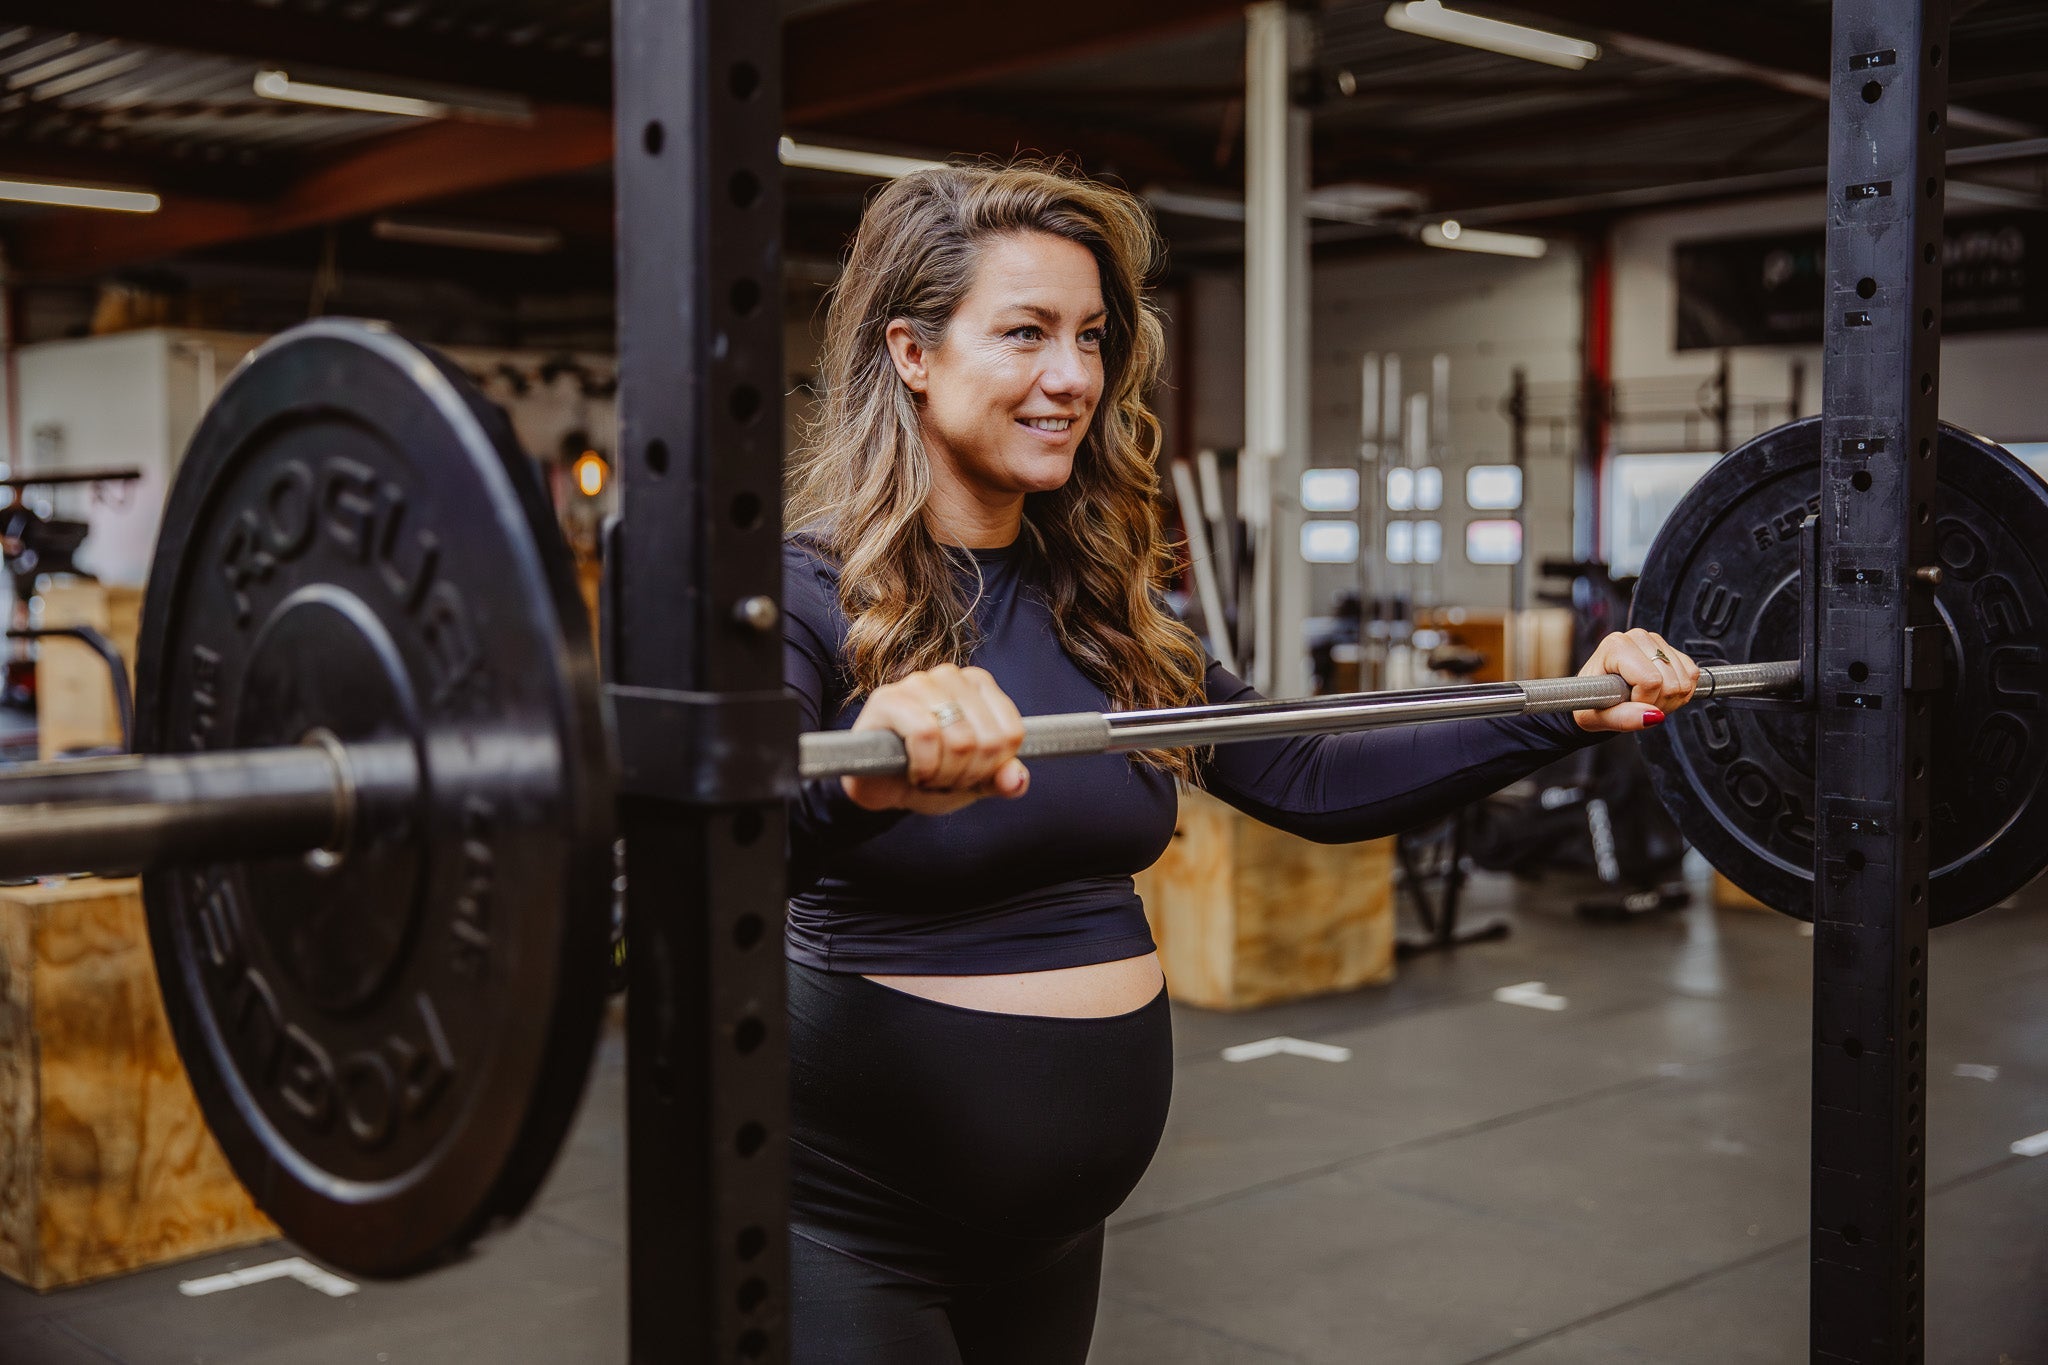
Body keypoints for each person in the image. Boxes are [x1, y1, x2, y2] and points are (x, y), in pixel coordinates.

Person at [781, 161, 1699, 1365]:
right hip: (848, 1224)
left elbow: (1306, 771)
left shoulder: (1097, 610)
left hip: (1054, 1231)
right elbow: (714, 834)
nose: (1071, 378)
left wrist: (1564, 709)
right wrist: (863, 778)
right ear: (911, 352)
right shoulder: (808, 595)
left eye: (1090, 338)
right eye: (1024, 334)